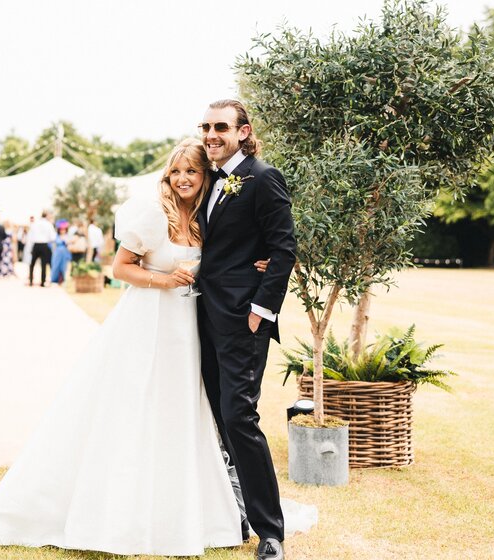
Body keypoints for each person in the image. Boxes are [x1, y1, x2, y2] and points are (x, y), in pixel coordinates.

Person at [0, 139, 311, 556]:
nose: (182, 179)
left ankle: (189, 508)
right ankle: (118, 508)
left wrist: (264, 260)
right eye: (176, 172)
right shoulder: (151, 214)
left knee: (182, 411)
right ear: (166, 176)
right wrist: (165, 280)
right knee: (133, 406)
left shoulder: (206, 217)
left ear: (205, 178)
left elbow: (237, 248)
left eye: (192, 172)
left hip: (188, 329)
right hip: (146, 323)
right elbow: (120, 268)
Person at [196, 99, 297, 560]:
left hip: (243, 320)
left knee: (240, 416)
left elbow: (284, 248)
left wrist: (261, 309)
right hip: (200, 318)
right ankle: (230, 509)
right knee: (218, 418)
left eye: (220, 126)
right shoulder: (205, 181)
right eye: (205, 126)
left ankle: (270, 530)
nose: (211, 134)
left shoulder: (262, 177)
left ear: (243, 131)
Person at [27, 211, 56, 287]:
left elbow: (30, 237)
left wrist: (30, 248)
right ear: (46, 216)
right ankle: (42, 282)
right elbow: (53, 237)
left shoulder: (35, 224)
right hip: (44, 245)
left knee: (32, 264)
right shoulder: (49, 224)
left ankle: (31, 281)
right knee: (43, 264)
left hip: (36, 245)